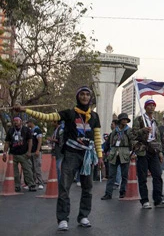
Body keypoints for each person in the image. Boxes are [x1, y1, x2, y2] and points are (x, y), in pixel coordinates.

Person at [14, 86, 104, 231]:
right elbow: (48, 117)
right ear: (78, 96)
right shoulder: (69, 113)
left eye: (88, 94)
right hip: (70, 154)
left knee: (87, 188)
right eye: (82, 94)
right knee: (64, 188)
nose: (85, 97)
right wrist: (26, 110)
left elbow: (98, 138)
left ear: (90, 98)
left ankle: (83, 216)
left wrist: (100, 156)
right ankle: (62, 219)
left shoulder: (94, 117)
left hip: (87, 156)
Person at [130, 99, 164, 209]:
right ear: (145, 107)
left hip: (154, 151)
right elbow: (132, 135)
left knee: (157, 175)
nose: (151, 107)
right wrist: (142, 130)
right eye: (149, 105)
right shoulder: (139, 120)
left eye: (153, 105)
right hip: (143, 150)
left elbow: (158, 138)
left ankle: (158, 199)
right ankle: (144, 201)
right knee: (142, 177)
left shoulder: (155, 122)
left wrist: (160, 152)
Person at [101, 113, 132, 200]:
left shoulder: (129, 131)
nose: (125, 121)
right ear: (120, 121)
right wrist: (104, 152)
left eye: (126, 119)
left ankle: (122, 192)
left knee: (124, 175)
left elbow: (133, 142)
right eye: (123, 119)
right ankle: (108, 193)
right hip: (114, 153)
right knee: (111, 175)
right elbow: (108, 143)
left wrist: (133, 153)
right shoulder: (114, 131)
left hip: (125, 153)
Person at [2, 116, 37, 192]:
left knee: (27, 170)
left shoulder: (26, 130)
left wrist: (29, 151)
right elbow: (7, 142)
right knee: (14, 172)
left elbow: (30, 141)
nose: (15, 122)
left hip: (24, 153)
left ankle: (31, 184)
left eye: (17, 120)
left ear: (21, 121)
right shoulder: (10, 130)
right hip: (13, 154)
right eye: (14, 120)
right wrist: (5, 153)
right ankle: (17, 185)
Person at [27, 118, 44, 189]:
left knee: (37, 167)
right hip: (31, 152)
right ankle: (32, 183)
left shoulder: (37, 130)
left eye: (28, 123)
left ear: (31, 123)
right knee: (31, 168)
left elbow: (40, 141)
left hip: (36, 151)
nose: (27, 124)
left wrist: (38, 150)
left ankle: (40, 183)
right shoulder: (30, 131)